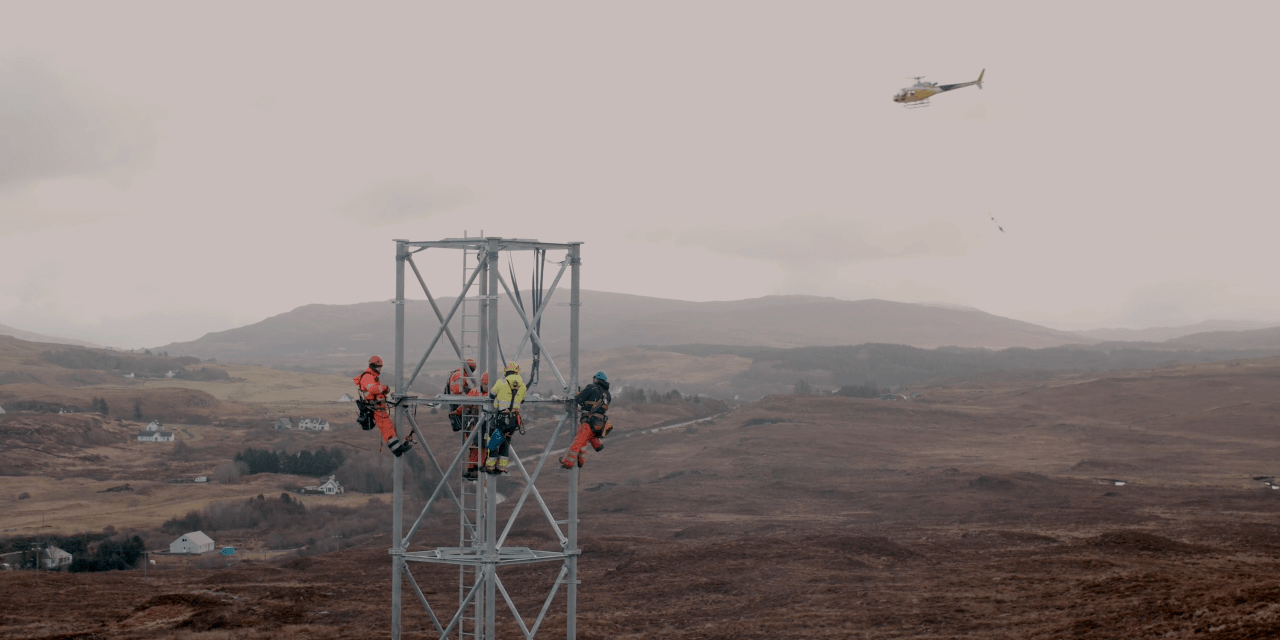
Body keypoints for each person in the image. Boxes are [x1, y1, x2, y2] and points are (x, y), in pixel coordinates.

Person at [354, 355, 412, 456]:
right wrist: (384, 388)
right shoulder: (367, 376)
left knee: (388, 428)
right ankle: (397, 449)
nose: (379, 369)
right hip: (375, 408)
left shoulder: (371, 376)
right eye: (378, 367)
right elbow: (373, 389)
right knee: (386, 429)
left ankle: (397, 449)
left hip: (378, 407)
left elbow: (375, 390)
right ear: (373, 366)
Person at [561, 371, 612, 469]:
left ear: (596, 378)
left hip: (589, 421)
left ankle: (568, 462)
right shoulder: (608, 395)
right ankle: (594, 448)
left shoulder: (592, 387)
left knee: (578, 441)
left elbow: (578, 399)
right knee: (585, 439)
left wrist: (579, 395)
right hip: (600, 423)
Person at [484, 361, 526, 474]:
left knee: (493, 441)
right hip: (514, 420)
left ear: (506, 371)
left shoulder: (501, 382)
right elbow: (522, 399)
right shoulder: (522, 385)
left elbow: (491, 395)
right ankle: (502, 467)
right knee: (506, 441)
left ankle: (490, 466)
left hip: (502, 418)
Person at [462, 372, 489, 480]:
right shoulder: (476, 392)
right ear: (482, 383)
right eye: (485, 384)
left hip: (486, 425)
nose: (487, 386)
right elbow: (466, 403)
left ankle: (477, 470)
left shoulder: (493, 394)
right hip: (476, 424)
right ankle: (471, 469)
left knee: (483, 447)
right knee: (474, 447)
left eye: (488, 384)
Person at [445, 358, 478, 432]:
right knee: (465, 423)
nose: (472, 372)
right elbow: (457, 390)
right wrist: (468, 391)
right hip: (456, 403)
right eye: (472, 370)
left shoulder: (460, 374)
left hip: (457, 403)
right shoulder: (459, 374)